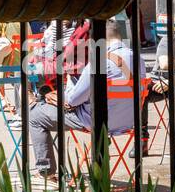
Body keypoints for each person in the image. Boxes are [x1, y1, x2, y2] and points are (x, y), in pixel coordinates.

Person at [29, 19, 138, 181]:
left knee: (35, 115)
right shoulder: (137, 59)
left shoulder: (98, 62)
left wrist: (58, 96)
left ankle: (46, 171)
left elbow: (72, 101)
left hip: (97, 122)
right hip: (129, 122)